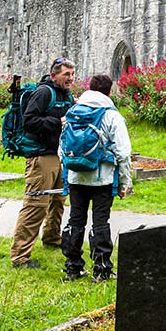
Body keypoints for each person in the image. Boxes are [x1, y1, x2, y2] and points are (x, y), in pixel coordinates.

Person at [60, 74, 132, 282]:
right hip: (102, 178)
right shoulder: (111, 116)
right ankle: (101, 269)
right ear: (109, 92)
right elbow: (123, 153)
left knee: (75, 220)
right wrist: (125, 182)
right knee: (100, 222)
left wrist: (70, 172)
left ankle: (72, 268)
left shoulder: (72, 112)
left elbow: (62, 147)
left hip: (76, 177)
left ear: (89, 89)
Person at [10, 57, 75, 269]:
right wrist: (58, 122)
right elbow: (29, 122)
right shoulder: (44, 92)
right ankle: (20, 257)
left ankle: (52, 238)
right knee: (36, 204)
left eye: (72, 75)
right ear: (54, 74)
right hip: (41, 157)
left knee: (58, 201)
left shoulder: (66, 94)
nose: (70, 79)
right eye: (66, 74)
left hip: (60, 155)